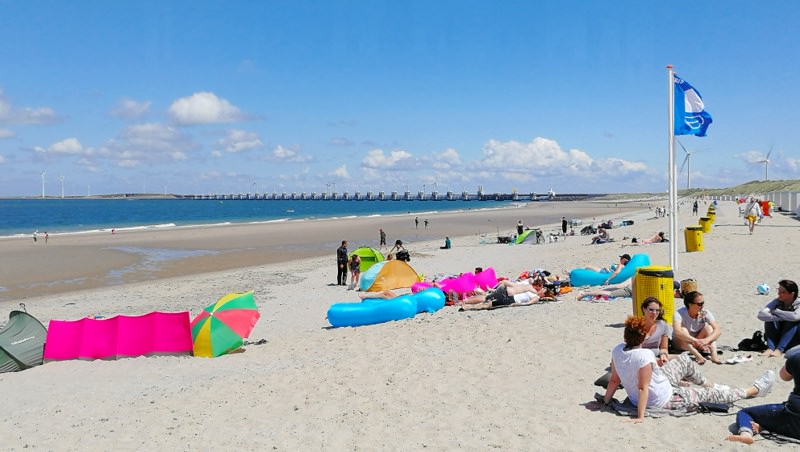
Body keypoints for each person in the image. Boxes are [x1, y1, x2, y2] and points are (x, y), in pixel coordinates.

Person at [602, 316, 776, 423]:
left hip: (661, 383)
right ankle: (753, 390)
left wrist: (605, 402)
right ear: (644, 336)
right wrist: (641, 416)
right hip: (664, 398)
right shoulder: (644, 355)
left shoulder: (617, 350)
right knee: (708, 396)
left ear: (625, 336)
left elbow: (615, 380)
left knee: (684, 360)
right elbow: (642, 388)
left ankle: (710, 384)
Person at [726, 349, 800, 444]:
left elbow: (784, 376)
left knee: (745, 412)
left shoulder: (796, 357)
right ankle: (763, 428)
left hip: (794, 412)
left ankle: (746, 434)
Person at [672, 291, 723, 364]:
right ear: (690, 304)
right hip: (681, 343)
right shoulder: (679, 313)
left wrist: (706, 340)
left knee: (709, 327)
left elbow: (718, 330)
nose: (702, 306)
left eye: (703, 303)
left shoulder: (704, 313)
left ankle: (714, 355)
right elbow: (677, 332)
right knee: (683, 330)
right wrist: (695, 341)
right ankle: (698, 356)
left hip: (698, 343)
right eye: (699, 304)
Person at [757, 279, 800, 358]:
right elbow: (761, 314)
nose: (779, 294)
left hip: (795, 339)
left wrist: (777, 312)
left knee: (793, 321)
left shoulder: (799, 303)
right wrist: (779, 317)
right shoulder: (777, 301)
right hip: (779, 335)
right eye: (778, 291)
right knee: (769, 319)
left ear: (792, 294)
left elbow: (795, 316)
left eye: (783, 292)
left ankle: (779, 350)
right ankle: (770, 348)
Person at [639, 297, 671, 364]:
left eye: (657, 310)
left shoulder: (662, 325)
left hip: (656, 357)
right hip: (639, 359)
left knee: (682, 358)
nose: (654, 313)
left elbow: (664, 348)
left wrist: (663, 355)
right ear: (644, 309)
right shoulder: (636, 326)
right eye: (651, 310)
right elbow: (632, 349)